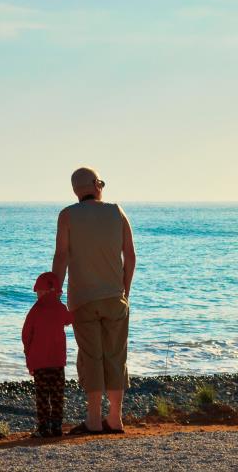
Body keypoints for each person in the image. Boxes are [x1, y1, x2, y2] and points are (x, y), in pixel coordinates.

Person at [52, 167, 136, 435]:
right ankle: (115, 418)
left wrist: (55, 295)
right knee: (115, 356)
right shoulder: (116, 211)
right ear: (97, 185)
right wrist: (125, 290)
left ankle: (93, 419)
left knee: (91, 358)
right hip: (114, 297)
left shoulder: (67, 216)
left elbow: (61, 257)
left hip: (83, 299)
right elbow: (130, 256)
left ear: (76, 190)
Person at [22, 271, 74, 438]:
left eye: (38, 292)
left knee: (43, 396)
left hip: (39, 363)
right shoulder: (60, 308)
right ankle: (57, 427)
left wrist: (28, 358)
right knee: (57, 396)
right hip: (58, 362)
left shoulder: (35, 310)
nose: (37, 295)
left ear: (44, 292)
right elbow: (69, 319)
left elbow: (26, 335)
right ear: (56, 291)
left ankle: (44, 428)